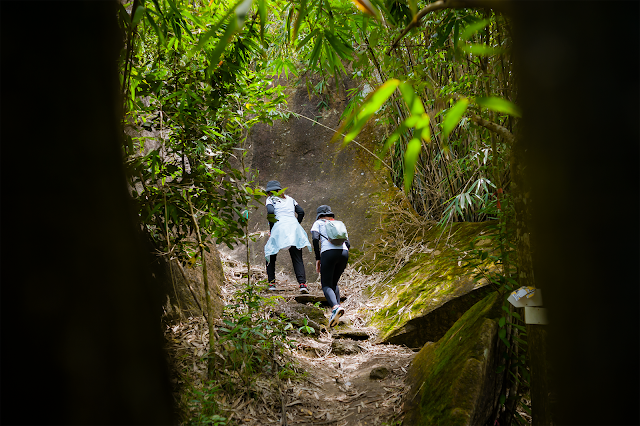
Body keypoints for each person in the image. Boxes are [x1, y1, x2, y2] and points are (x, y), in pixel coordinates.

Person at [263, 180, 311, 293]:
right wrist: (296, 225)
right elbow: (301, 212)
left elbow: (270, 212)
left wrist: (272, 230)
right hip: (294, 228)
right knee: (297, 257)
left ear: (269, 192)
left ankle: (271, 283)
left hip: (279, 227)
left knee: (270, 253)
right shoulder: (290, 199)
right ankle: (302, 284)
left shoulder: (270, 199)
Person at [310, 205, 350, 327]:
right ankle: (337, 312)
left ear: (319, 215)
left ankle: (335, 306)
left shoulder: (318, 223)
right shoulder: (339, 223)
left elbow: (315, 239)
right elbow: (347, 243)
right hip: (344, 253)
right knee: (334, 283)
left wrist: (318, 258)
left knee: (326, 284)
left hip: (328, 253)